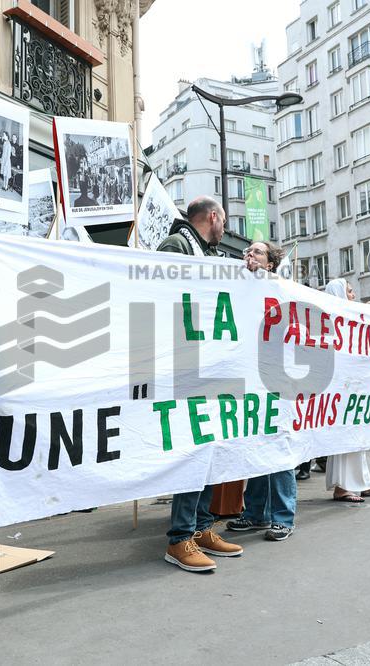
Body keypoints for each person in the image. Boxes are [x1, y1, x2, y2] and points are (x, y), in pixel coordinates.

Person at [156, 196, 242, 572]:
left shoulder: (206, 251)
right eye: (223, 220)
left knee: (209, 448)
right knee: (194, 449)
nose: (224, 227)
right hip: (185, 363)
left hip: (206, 363)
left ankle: (201, 527)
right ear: (213, 217)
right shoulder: (178, 245)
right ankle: (180, 539)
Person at [226, 241, 298, 541]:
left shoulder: (279, 287)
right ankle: (256, 513)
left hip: (277, 379)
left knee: (278, 446)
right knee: (256, 446)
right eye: (248, 252)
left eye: (257, 253)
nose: (249, 256)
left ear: (270, 265)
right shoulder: (240, 286)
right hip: (250, 379)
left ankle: (283, 517)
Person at [321, 278, 370, 502]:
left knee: (359, 436)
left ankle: (363, 482)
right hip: (340, 386)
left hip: (357, 385)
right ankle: (342, 487)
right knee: (345, 436)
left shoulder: (352, 316)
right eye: (349, 292)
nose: (352, 295)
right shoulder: (329, 320)